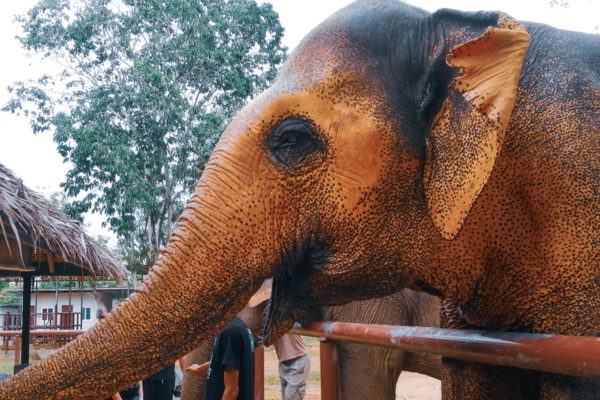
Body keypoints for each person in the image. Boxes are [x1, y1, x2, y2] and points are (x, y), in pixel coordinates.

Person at [186, 279, 272, 400]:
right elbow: (233, 361)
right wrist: (203, 368)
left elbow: (232, 390)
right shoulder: (241, 328)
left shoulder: (229, 333)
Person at [274, 334, 311, 400]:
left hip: (298, 359)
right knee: (286, 397)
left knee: (291, 397)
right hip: (283, 361)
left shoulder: (285, 323)